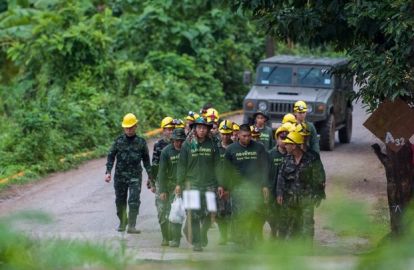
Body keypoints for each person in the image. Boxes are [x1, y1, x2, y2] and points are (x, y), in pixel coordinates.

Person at [176, 117, 220, 252]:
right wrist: (179, 183)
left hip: (210, 184)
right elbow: (182, 165)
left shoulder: (212, 144)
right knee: (194, 213)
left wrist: (220, 184)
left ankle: (202, 233)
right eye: (199, 127)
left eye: (204, 128)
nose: (202, 130)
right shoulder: (187, 144)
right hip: (192, 184)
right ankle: (197, 241)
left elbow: (218, 164)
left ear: (207, 130)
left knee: (209, 213)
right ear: (195, 128)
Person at [222, 124, 269, 248]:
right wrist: (224, 187)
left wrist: (264, 185)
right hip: (238, 187)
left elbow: (264, 167)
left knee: (254, 213)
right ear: (238, 135)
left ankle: (251, 240)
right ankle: (241, 240)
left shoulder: (259, 148)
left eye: (249, 136)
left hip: (255, 187)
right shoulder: (231, 149)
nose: (247, 138)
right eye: (244, 136)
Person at [105, 113, 152, 234]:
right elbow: (111, 156)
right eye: (126, 127)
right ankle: (122, 222)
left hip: (135, 176)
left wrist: (151, 177)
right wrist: (108, 171)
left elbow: (146, 160)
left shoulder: (141, 142)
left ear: (136, 126)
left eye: (131, 127)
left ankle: (132, 225)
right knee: (120, 200)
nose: (129, 130)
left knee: (134, 200)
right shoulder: (118, 141)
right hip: (120, 176)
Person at [276, 131, 326, 240]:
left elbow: (319, 179)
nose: (285, 145)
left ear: (294, 146)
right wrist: (279, 193)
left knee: (307, 226)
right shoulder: (286, 160)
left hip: (307, 199)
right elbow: (281, 177)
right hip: (290, 199)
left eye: (288, 143)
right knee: (291, 226)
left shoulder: (311, 159)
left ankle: (307, 251)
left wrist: (318, 195)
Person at [158, 128, 187, 247]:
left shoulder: (187, 150)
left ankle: (193, 236)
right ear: (172, 140)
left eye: (180, 141)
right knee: (173, 212)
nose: (178, 143)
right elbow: (162, 172)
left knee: (189, 212)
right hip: (171, 187)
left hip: (186, 185)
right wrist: (162, 190)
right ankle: (174, 239)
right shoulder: (166, 152)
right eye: (176, 141)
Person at [152, 116, 175, 245]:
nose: (170, 132)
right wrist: (152, 182)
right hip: (161, 182)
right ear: (163, 130)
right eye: (167, 129)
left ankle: (173, 234)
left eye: (172, 129)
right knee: (161, 211)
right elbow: (154, 165)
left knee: (173, 210)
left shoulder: (179, 145)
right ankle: (165, 237)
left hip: (174, 183)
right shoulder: (158, 146)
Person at [267, 123, 292, 238]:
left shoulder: (291, 155)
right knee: (272, 214)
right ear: (276, 139)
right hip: (272, 189)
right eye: (281, 138)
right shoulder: (270, 154)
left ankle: (282, 238)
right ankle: (273, 231)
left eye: (286, 138)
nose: (284, 141)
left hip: (287, 190)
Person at [216, 120, 233, 245]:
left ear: (232, 133)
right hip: (218, 185)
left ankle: (233, 235)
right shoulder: (215, 148)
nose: (225, 136)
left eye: (228, 134)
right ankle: (223, 236)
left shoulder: (236, 148)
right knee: (220, 212)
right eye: (223, 134)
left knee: (232, 211)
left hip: (233, 185)